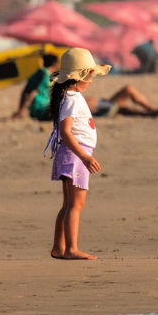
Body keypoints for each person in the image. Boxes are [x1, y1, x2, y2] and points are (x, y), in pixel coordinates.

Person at [44, 48, 112, 260]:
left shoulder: (68, 96)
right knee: (76, 205)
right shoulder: (72, 98)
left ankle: (59, 247)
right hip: (75, 155)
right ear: (77, 77)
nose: (91, 81)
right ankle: (71, 249)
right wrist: (85, 157)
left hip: (71, 155)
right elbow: (66, 131)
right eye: (89, 76)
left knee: (68, 204)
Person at [13, 53, 158, 120]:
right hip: (51, 111)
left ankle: (151, 113)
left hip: (55, 110)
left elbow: (25, 92)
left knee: (117, 106)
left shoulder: (39, 74)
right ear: (54, 64)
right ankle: (152, 112)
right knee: (121, 99)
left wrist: (20, 110)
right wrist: (21, 111)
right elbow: (32, 93)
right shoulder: (45, 75)